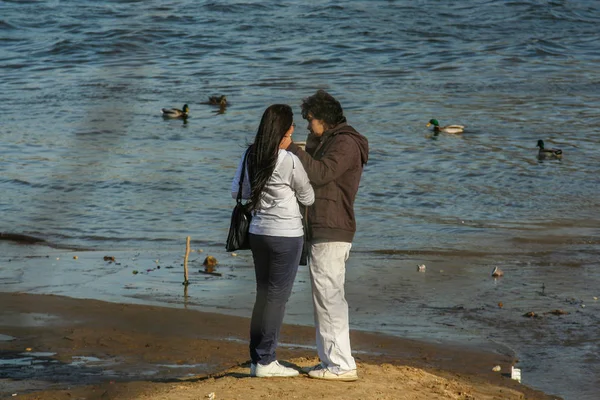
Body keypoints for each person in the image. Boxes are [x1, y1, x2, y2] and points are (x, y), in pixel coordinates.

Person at [284, 90, 369, 381]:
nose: (308, 125)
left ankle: (341, 365)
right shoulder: (332, 141)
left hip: (332, 227)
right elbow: (318, 170)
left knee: (329, 296)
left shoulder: (345, 142)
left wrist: (296, 151)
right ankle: (331, 361)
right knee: (325, 296)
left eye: (310, 120)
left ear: (325, 119)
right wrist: (306, 146)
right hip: (325, 227)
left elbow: (320, 174)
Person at [231, 104, 315, 378]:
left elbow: (237, 191)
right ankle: (266, 361)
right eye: (291, 126)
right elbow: (308, 196)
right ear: (284, 130)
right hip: (286, 236)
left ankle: (258, 359)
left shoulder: (250, 154)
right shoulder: (288, 160)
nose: (293, 130)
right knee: (277, 298)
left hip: (258, 233)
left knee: (263, 296)